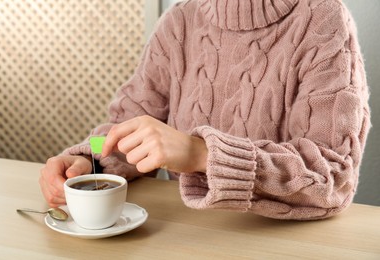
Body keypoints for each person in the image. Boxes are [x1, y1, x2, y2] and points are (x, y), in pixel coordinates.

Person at [39, 0, 371, 220]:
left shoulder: (323, 18)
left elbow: (333, 176)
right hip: (182, 233)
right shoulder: (179, 21)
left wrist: (201, 154)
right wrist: (88, 159)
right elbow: (123, 127)